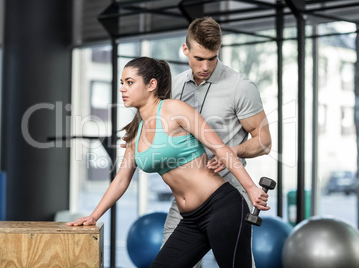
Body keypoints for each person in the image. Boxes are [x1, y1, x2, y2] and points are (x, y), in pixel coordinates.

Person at [67, 57, 270, 267]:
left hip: (222, 207)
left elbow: (221, 149)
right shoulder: (134, 133)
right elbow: (121, 180)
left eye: (129, 82)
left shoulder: (174, 110)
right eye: (121, 83)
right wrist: (93, 216)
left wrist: (252, 189)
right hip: (191, 219)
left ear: (151, 85)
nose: (123, 89)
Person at [163, 17, 272, 267]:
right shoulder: (175, 85)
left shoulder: (240, 87)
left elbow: (264, 141)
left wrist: (232, 151)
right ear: (185, 49)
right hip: (186, 197)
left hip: (229, 194)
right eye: (198, 58)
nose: (205, 66)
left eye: (211, 58)